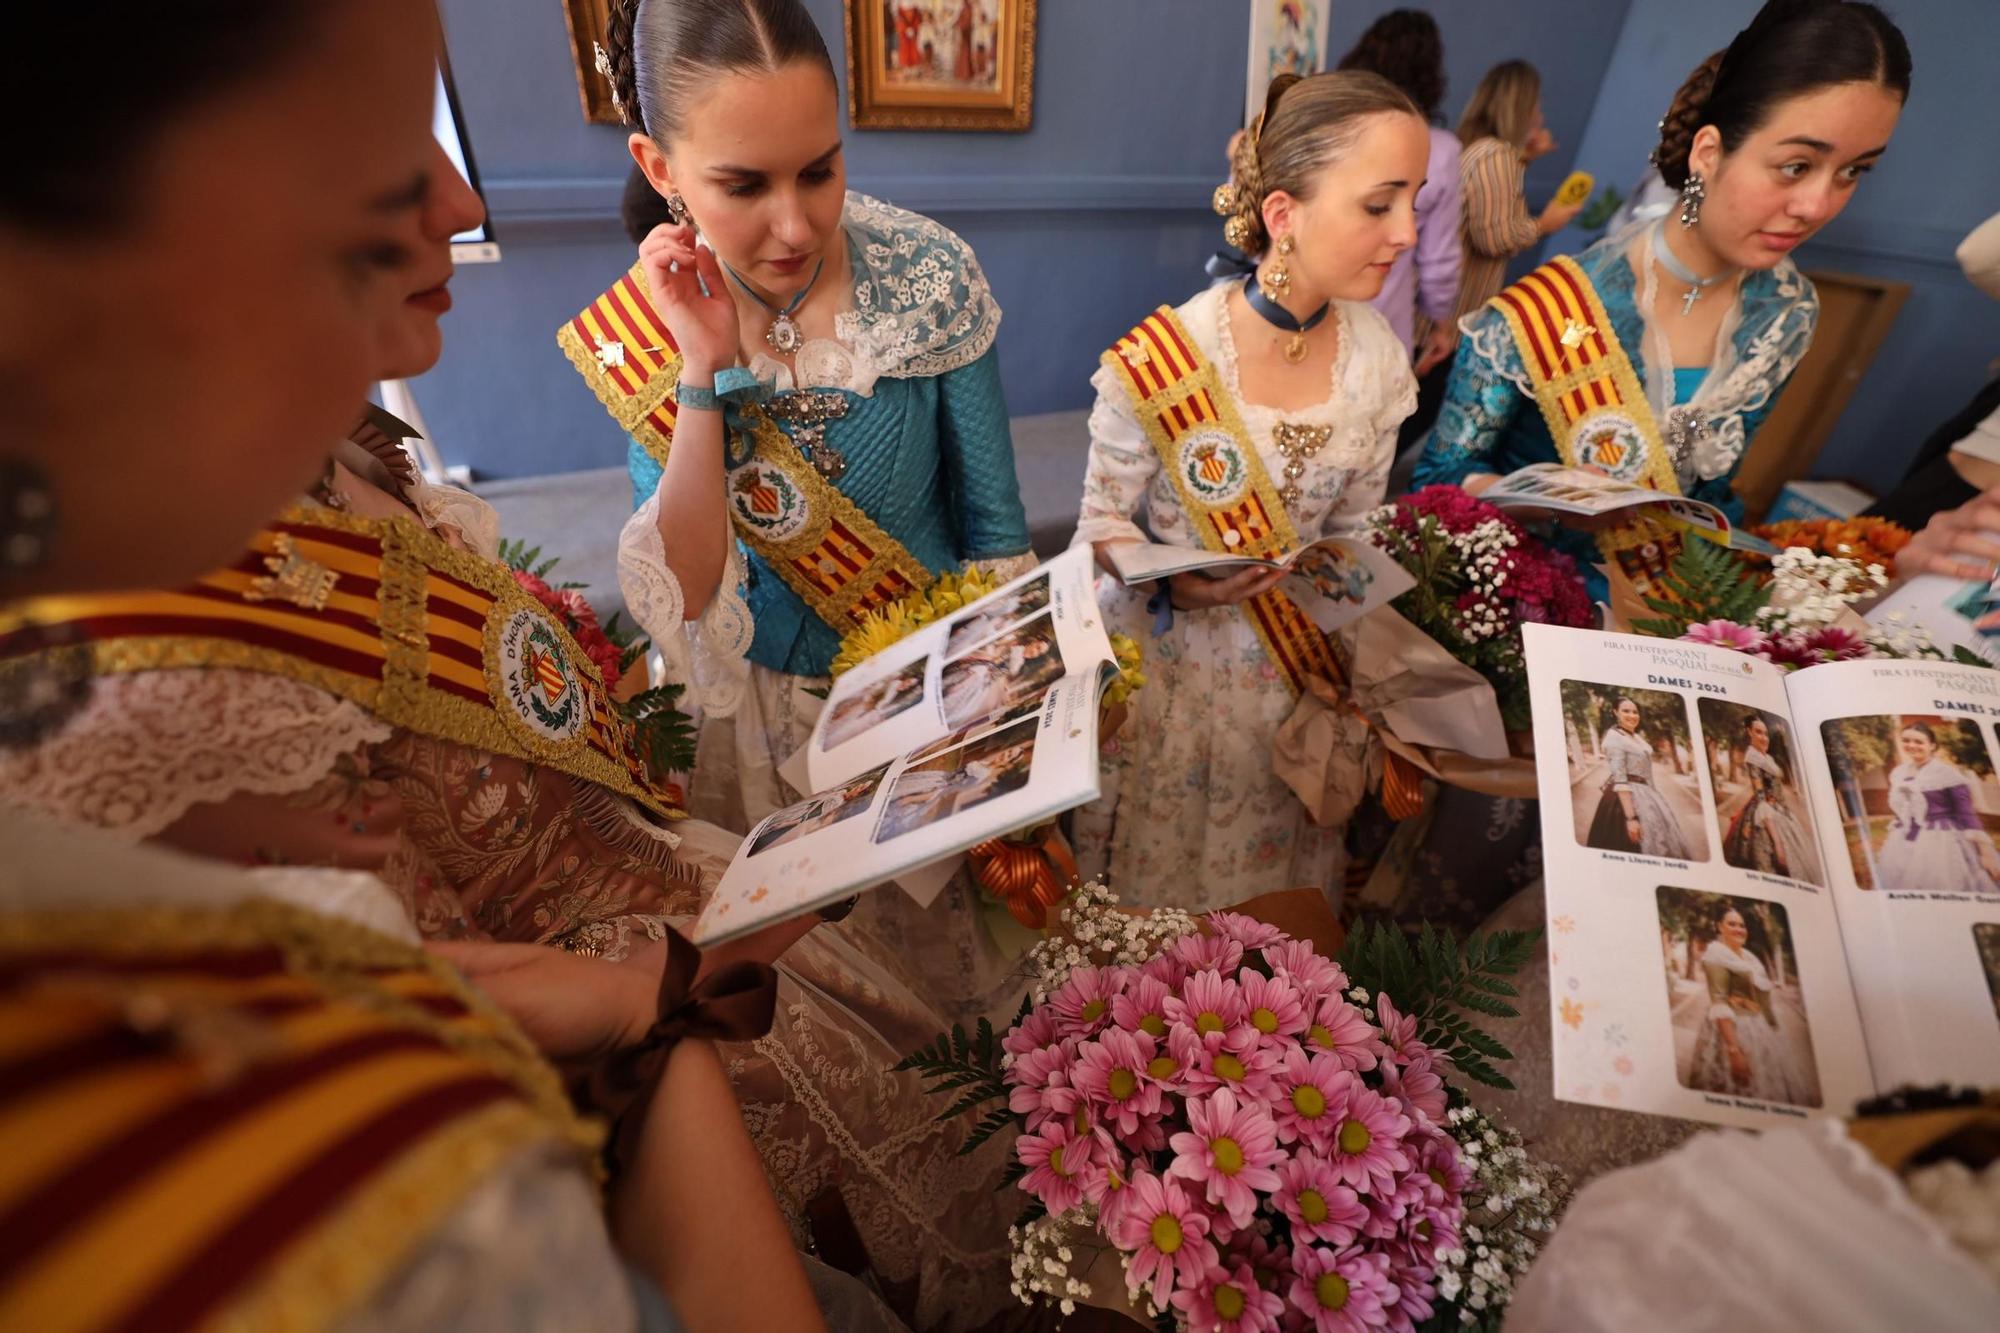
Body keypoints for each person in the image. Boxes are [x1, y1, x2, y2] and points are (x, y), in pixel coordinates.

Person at [0, 68, 1014, 1333]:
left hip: (692, 920)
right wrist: (701, 382)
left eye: (822, 167)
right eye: (375, 147)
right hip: (644, 1030)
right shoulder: (160, 673)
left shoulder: (340, 452)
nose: (467, 195)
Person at [569, 0, 1033, 834]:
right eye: (745, 185)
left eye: (819, 172)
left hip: (925, 708)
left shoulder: (931, 275)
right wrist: (702, 372)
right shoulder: (647, 331)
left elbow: (995, 536)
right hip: (755, 728)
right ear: (659, 167)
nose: (795, 225)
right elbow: (687, 590)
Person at [1071, 71, 1428, 909]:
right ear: (1282, 216)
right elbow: (1096, 525)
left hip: (1296, 692)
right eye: (1381, 205)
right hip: (1169, 684)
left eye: (1416, 202)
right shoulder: (1167, 357)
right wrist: (1174, 584)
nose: (1408, 232)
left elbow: (1355, 534)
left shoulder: (1378, 363)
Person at [1415, 2, 1912, 599]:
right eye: (1796, 165)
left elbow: (1709, 493)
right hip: (1517, 606)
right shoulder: (1549, 308)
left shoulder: (1786, 312)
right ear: (1708, 151)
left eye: (1853, 172)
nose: (1817, 205)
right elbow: (1436, 485)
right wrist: (1543, 498)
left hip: (1660, 617)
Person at [1336, 9, 1463, 375]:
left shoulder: (1329, 127)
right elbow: (1439, 259)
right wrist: (1441, 322)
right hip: (1377, 323)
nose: (1405, 233)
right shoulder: (1439, 150)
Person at [1687, 907, 1817, 1104]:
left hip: (1759, 1030)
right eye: (1732, 924)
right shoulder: (1716, 955)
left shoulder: (1749, 958)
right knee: (1738, 1087)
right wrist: (1734, 1051)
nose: (1739, 929)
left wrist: (1775, 1031)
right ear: (1719, 927)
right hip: (1731, 1031)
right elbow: (1719, 1003)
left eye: (1742, 925)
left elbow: (1762, 999)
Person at [1875, 721, 2000, 895]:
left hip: (1940, 839)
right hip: (1904, 838)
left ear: (1932, 746)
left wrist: (1985, 852)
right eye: (1906, 740)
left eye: (1919, 742)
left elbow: (1966, 813)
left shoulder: (1947, 774)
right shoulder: (1899, 772)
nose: (1911, 745)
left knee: (1941, 883)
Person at [1585, 698, 1693, 859]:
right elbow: (1620, 779)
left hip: (1647, 794)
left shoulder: (1634, 736)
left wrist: (1654, 795)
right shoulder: (1614, 738)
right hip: (1623, 800)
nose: (1632, 715)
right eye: (1626, 711)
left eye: (1635, 712)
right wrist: (1631, 819)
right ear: (1615, 712)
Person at [1722, 716, 1821, 882]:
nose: (1764, 737)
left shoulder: (1767, 759)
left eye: (1766, 733)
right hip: (1767, 817)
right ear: (1749, 733)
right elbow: (1762, 800)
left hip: (1783, 813)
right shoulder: (1753, 759)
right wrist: (1778, 844)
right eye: (1758, 732)